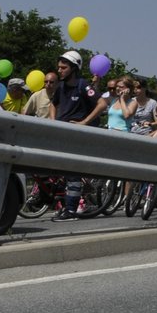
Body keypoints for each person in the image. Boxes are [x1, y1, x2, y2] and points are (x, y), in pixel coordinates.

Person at [50, 51, 98, 221]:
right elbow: (53, 104)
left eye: (63, 67)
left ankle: (71, 210)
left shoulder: (83, 85)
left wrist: (84, 122)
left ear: (74, 68)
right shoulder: (61, 87)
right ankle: (65, 206)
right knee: (63, 172)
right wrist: (52, 121)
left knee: (72, 173)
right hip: (62, 134)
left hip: (77, 136)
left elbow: (101, 104)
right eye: (59, 67)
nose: (59, 70)